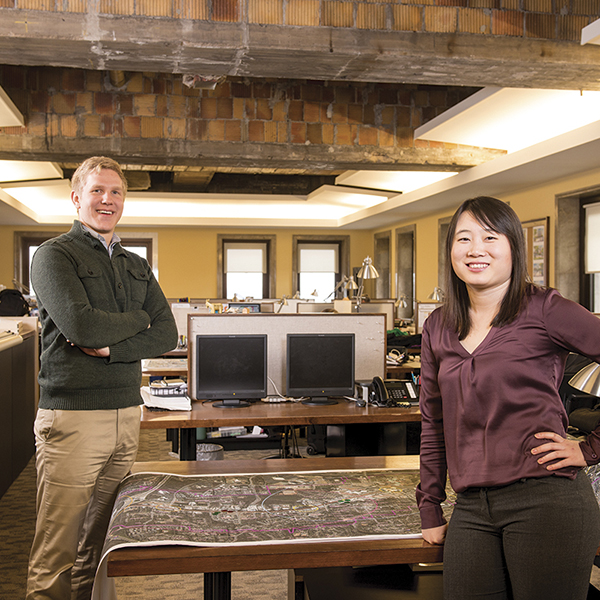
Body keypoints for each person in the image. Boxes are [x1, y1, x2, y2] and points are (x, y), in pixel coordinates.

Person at [416, 196, 600, 600]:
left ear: (513, 246)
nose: (475, 249)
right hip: (471, 505)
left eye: (489, 236)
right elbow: (433, 422)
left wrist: (591, 448)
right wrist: (430, 505)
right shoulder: (437, 326)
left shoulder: (545, 308)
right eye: (463, 238)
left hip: (546, 498)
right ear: (451, 251)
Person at [26, 156, 178, 600]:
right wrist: (138, 321)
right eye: (96, 191)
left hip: (127, 414)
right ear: (76, 198)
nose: (106, 199)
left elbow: (166, 332)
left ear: (123, 202)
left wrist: (114, 347)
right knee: (57, 548)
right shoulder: (55, 255)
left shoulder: (135, 264)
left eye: (115, 192)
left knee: (104, 542)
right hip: (73, 419)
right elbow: (82, 327)